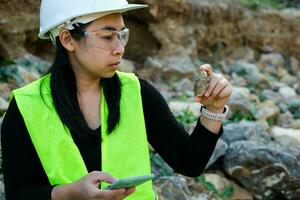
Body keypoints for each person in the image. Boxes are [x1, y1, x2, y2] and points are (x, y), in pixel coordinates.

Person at [1, 0, 233, 199]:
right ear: (68, 39)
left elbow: (188, 162)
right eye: (107, 36)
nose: (119, 48)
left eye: (122, 35)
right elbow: (18, 194)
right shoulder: (26, 106)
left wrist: (213, 110)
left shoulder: (137, 93)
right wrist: (69, 193)